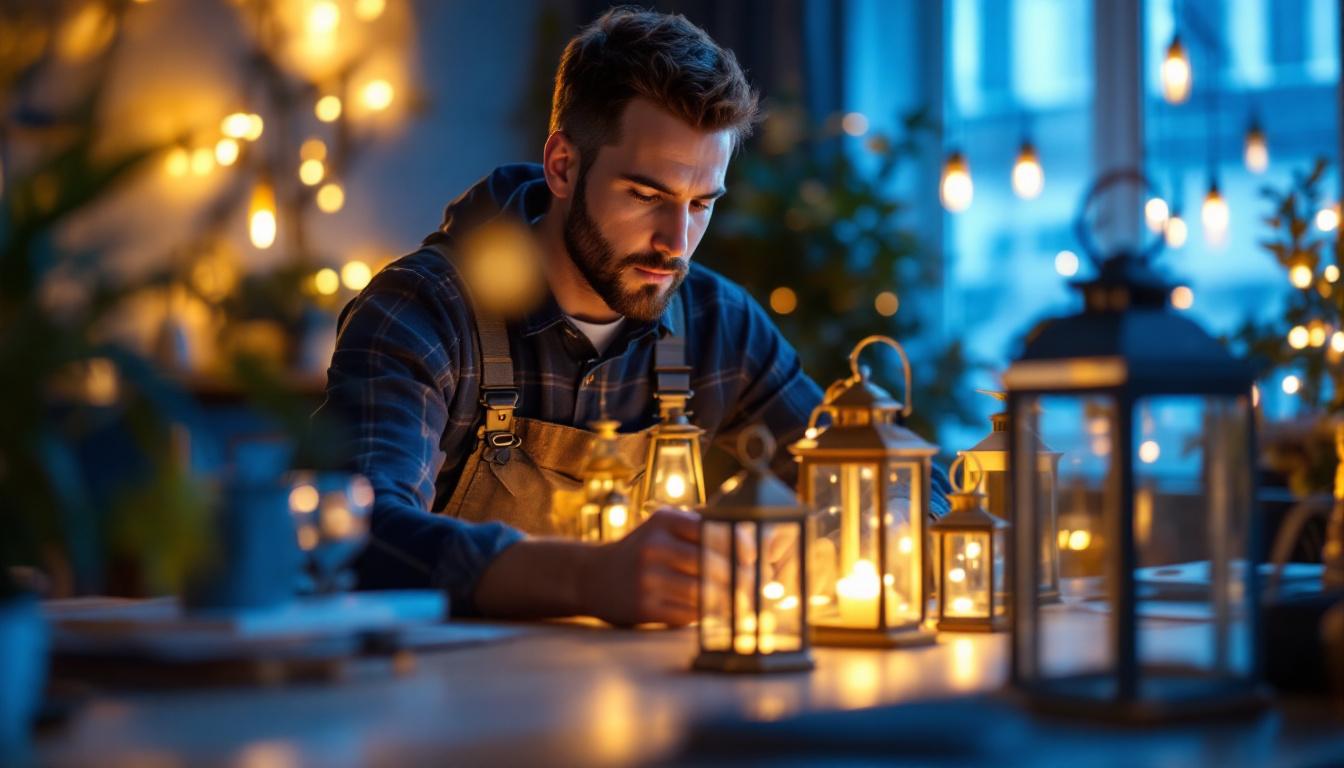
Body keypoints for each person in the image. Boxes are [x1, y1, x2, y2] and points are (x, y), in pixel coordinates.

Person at [317, 7, 946, 628]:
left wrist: (863, 528)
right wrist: (587, 578)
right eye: (646, 195)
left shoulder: (719, 325)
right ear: (563, 166)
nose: (676, 243)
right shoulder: (421, 311)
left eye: (700, 204)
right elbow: (354, 535)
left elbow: (906, 485)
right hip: (455, 694)